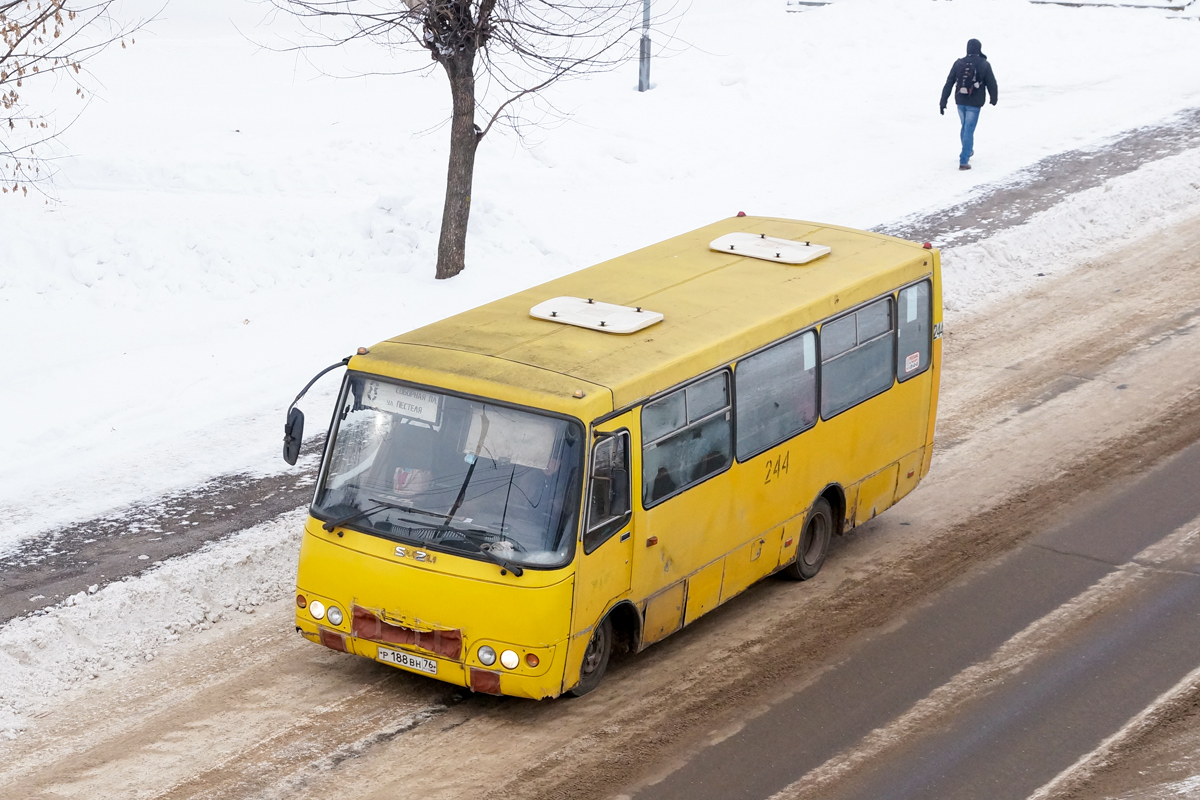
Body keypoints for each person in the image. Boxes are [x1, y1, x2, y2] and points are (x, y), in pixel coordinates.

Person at [939, 38, 998, 171]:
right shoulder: (984, 64)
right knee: (968, 129)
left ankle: (968, 149)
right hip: (975, 102)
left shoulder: (958, 63)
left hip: (960, 100)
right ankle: (964, 160)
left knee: (965, 127)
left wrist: (943, 100)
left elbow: (949, 82)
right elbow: (992, 82)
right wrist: (993, 97)